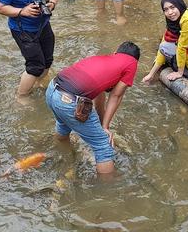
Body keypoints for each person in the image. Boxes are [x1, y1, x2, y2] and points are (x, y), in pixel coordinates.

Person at [45, 42, 140, 174]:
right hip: (69, 102)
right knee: (103, 146)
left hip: (52, 90)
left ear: (115, 52)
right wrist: (105, 129)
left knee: (63, 124)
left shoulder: (103, 60)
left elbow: (99, 95)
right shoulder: (132, 63)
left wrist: (102, 125)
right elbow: (116, 96)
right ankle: (107, 189)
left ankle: (64, 158)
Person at [0, 0, 59, 96]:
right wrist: (22, 11)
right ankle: (21, 96)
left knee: (48, 59)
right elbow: (1, 8)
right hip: (22, 29)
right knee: (35, 65)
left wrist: (53, 3)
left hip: (43, 24)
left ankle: (37, 83)